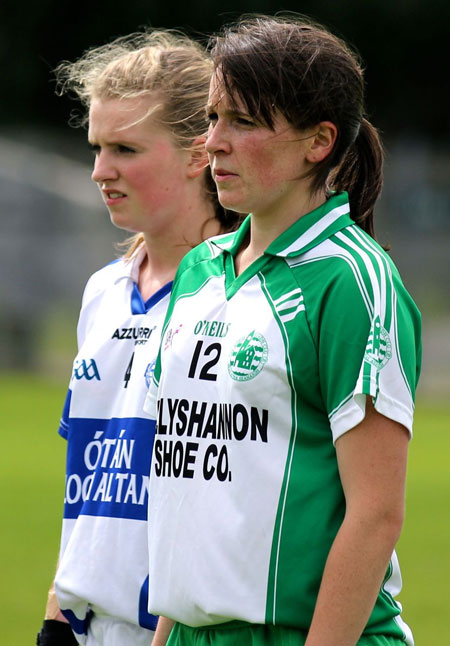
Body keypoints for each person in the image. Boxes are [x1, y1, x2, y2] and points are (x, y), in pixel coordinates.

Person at [144, 14, 422, 646]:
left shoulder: (352, 281)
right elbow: (191, 492)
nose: (213, 143)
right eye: (213, 118)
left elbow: (376, 515)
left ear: (317, 141)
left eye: (243, 121)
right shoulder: (197, 270)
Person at [36, 29, 240, 646]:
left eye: (125, 148)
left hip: (178, 632)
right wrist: (57, 612)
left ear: (199, 153)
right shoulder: (102, 291)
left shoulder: (239, 297)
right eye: (97, 147)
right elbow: (90, 477)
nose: (100, 170)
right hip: (86, 627)